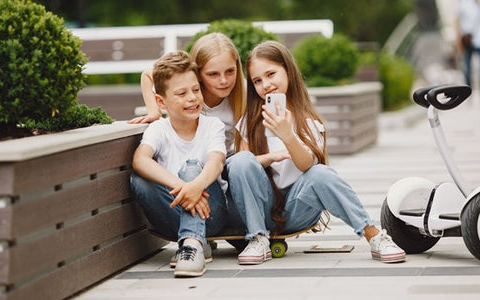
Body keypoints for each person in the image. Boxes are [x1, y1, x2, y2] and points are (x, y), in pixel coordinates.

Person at [225, 40, 406, 265]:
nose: (266, 84)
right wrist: (271, 157)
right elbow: (242, 167)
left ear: (288, 71)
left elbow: (307, 165)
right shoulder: (248, 123)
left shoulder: (308, 121)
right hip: (257, 208)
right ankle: (257, 239)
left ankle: (375, 236)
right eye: (257, 81)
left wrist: (288, 136)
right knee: (240, 160)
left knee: (321, 173)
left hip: (296, 210)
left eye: (271, 74)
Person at [129, 50, 227, 277]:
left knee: (192, 168)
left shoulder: (212, 125)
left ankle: (191, 245)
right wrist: (185, 187)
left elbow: (216, 161)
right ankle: (193, 241)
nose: (192, 98)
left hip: (212, 214)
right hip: (171, 217)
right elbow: (140, 159)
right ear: (161, 101)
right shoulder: (159, 130)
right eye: (182, 93)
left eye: (196, 89)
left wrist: (196, 184)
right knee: (139, 181)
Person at [128, 32, 246, 156]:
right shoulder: (191, 92)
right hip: (187, 160)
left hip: (225, 159)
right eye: (213, 74)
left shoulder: (244, 92)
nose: (223, 81)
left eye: (230, 71)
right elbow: (147, 75)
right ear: (198, 74)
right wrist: (154, 111)